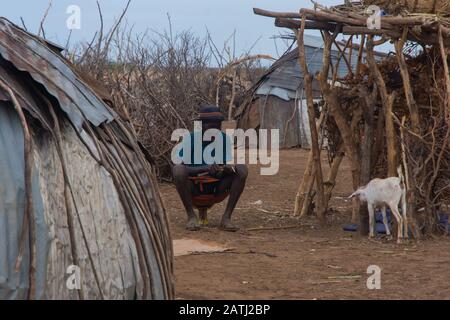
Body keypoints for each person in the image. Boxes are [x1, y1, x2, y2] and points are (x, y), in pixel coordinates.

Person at [172, 105, 248, 231]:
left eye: (217, 125)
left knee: (241, 169)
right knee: (178, 170)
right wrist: (205, 168)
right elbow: (178, 166)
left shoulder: (223, 139)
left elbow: (219, 170)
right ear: (201, 125)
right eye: (210, 125)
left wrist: (224, 170)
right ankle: (191, 217)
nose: (214, 129)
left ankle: (226, 218)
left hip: (215, 189)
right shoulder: (190, 139)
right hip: (194, 189)